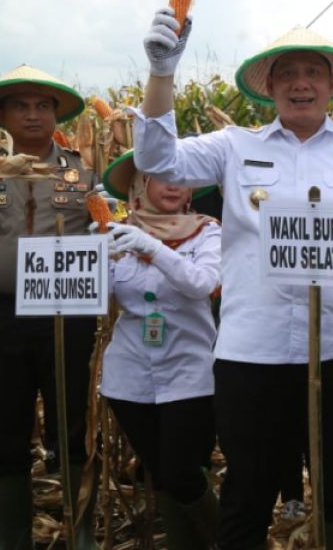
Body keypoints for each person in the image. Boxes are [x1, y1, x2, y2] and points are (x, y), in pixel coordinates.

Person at [134, 13, 333, 549]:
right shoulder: (234, 147)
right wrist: (161, 73)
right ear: (269, 87)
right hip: (251, 352)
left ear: (332, 85)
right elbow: (158, 159)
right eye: (287, 73)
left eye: (313, 72)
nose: (300, 83)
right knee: (248, 488)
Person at [0, 65, 98, 550]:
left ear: (57, 114)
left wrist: (107, 228)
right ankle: (13, 538)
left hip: (68, 312)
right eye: (21, 105)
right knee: (3, 423)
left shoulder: (83, 170)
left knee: (73, 423)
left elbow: (115, 218)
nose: (33, 114)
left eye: (43, 106)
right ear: (2, 115)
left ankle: (80, 527)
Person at [99, 151, 221, 549]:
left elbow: (203, 283)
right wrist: (91, 252)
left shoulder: (208, 233)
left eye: (182, 176)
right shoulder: (115, 233)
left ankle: (232, 542)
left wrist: (152, 248)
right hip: (129, 375)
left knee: (183, 471)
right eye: (161, 175)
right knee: (162, 474)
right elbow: (95, 299)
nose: (173, 184)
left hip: (191, 373)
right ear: (140, 185)